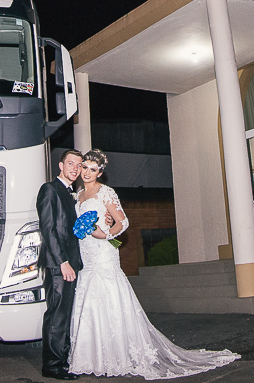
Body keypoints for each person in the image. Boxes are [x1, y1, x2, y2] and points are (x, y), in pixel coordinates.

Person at [68, 149, 239, 379]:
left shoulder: (105, 192)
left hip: (103, 254)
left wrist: (105, 234)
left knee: (108, 297)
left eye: (93, 169)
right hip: (86, 255)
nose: (87, 172)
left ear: (100, 172)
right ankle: (93, 357)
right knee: (89, 300)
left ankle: (119, 356)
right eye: (85, 167)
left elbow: (123, 222)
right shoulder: (78, 195)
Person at [37, 148, 85, 380]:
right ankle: (52, 366)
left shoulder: (70, 193)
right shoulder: (49, 189)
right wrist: (63, 262)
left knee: (64, 314)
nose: (75, 169)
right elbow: (48, 229)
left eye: (79, 165)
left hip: (70, 264)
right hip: (59, 265)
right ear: (61, 165)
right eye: (71, 163)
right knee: (57, 315)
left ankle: (62, 362)